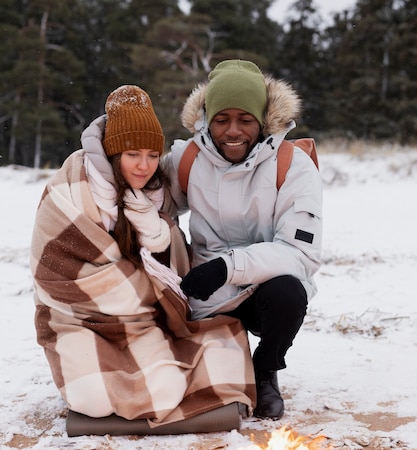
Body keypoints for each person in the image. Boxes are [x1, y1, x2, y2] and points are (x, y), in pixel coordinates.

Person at [30, 84, 255, 430]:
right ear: (113, 152)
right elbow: (57, 272)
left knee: (163, 391)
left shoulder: (153, 194)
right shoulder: (71, 187)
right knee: (90, 397)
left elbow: (168, 261)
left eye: (153, 154)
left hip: (138, 321)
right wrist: (142, 286)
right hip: (76, 317)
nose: (144, 166)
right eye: (133, 154)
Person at [165, 60, 323, 419]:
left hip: (264, 289)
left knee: (289, 295)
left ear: (263, 120)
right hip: (203, 290)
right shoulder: (187, 158)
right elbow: (148, 204)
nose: (232, 131)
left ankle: (265, 369)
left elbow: (302, 254)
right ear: (208, 119)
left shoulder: (293, 165)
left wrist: (228, 267)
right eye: (222, 120)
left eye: (245, 120)